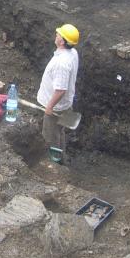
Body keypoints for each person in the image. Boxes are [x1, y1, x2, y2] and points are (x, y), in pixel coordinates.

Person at [36, 24, 80, 161]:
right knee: (60, 132)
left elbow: (60, 90)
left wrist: (49, 107)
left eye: (59, 34)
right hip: (66, 105)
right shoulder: (73, 53)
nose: (56, 34)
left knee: (51, 137)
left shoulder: (61, 63)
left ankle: (55, 165)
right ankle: (62, 158)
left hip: (56, 108)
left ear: (62, 41)